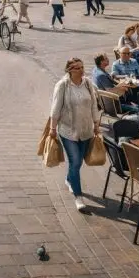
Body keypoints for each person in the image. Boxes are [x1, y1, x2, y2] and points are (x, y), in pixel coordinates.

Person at [49, 58, 100, 213]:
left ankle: (69, 179)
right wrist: (52, 128)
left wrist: (96, 124)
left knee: (78, 162)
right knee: (75, 161)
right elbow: (55, 108)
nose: (81, 70)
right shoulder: (62, 85)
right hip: (68, 131)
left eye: (82, 67)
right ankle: (79, 198)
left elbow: (94, 105)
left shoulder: (88, 83)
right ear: (69, 70)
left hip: (86, 131)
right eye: (77, 68)